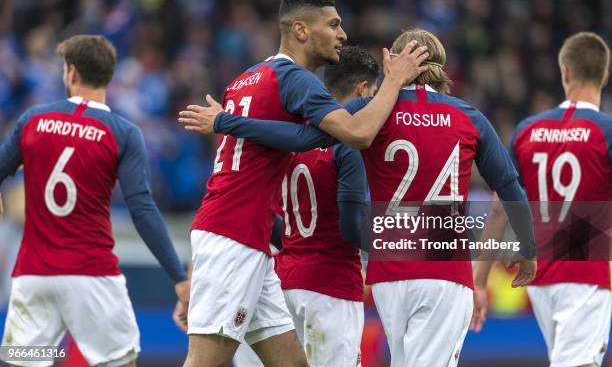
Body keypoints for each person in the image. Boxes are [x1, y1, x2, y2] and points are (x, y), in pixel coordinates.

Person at [191, 28, 537, 366]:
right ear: (441, 68)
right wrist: (529, 248)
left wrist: (227, 121)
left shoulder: (368, 110)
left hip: (389, 272)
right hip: (444, 265)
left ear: (395, 64)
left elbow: (297, 137)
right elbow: (509, 189)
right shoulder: (468, 116)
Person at [176, 0, 428, 366]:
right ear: (300, 30)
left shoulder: (246, 79)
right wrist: (394, 80)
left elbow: (287, 139)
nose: (342, 34)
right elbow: (359, 133)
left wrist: (232, 121)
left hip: (246, 239)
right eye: (333, 24)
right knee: (205, 361)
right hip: (234, 237)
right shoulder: (296, 79)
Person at [0, 35, 189, 367]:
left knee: (22, 362)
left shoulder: (32, 120)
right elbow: (142, 209)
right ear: (109, 76)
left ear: (71, 73)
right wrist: (178, 276)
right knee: (119, 362)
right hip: (92, 275)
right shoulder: (123, 132)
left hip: (34, 275)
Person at [472, 31, 611, 367]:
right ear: (604, 75)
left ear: (565, 71)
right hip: (586, 275)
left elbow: (498, 209)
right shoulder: (605, 131)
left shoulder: (527, 130)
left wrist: (478, 280)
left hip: (539, 276)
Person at [274, 45, 377, 366]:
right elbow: (351, 227)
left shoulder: (292, 136)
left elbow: (272, 218)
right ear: (363, 89)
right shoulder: (347, 140)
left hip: (285, 283)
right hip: (331, 284)